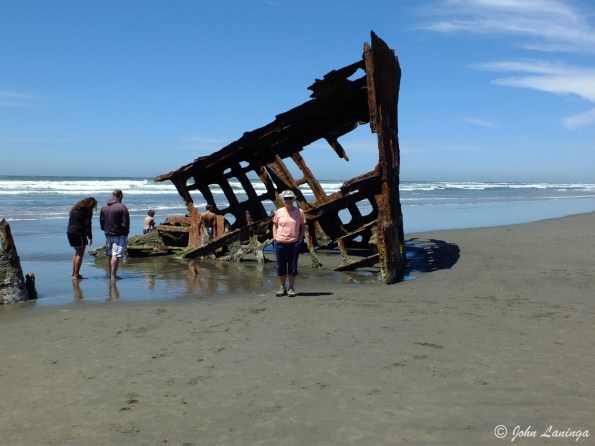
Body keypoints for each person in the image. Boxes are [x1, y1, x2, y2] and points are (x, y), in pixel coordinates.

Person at [272, 190, 306, 297]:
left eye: (290, 198)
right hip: (280, 243)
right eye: (286, 198)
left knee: (292, 267)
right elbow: (275, 225)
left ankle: (291, 288)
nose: (288, 200)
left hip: (293, 243)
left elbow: (303, 226)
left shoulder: (299, 212)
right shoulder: (279, 211)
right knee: (280, 266)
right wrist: (275, 238)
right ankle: (282, 288)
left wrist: (300, 240)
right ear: (283, 200)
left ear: (293, 199)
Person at [99, 189, 130, 281]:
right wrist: (126, 232)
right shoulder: (122, 207)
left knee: (110, 254)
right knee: (115, 255)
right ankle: (113, 275)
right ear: (120, 196)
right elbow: (126, 222)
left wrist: (104, 228)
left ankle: (111, 274)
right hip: (119, 233)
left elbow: (101, 219)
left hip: (108, 233)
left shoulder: (104, 206)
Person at [66, 197, 97, 279]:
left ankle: (73, 272)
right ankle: (76, 275)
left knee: (77, 252)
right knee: (80, 254)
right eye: (94, 206)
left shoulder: (75, 208)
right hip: (78, 232)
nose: (94, 208)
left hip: (70, 231)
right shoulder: (88, 209)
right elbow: (88, 223)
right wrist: (90, 237)